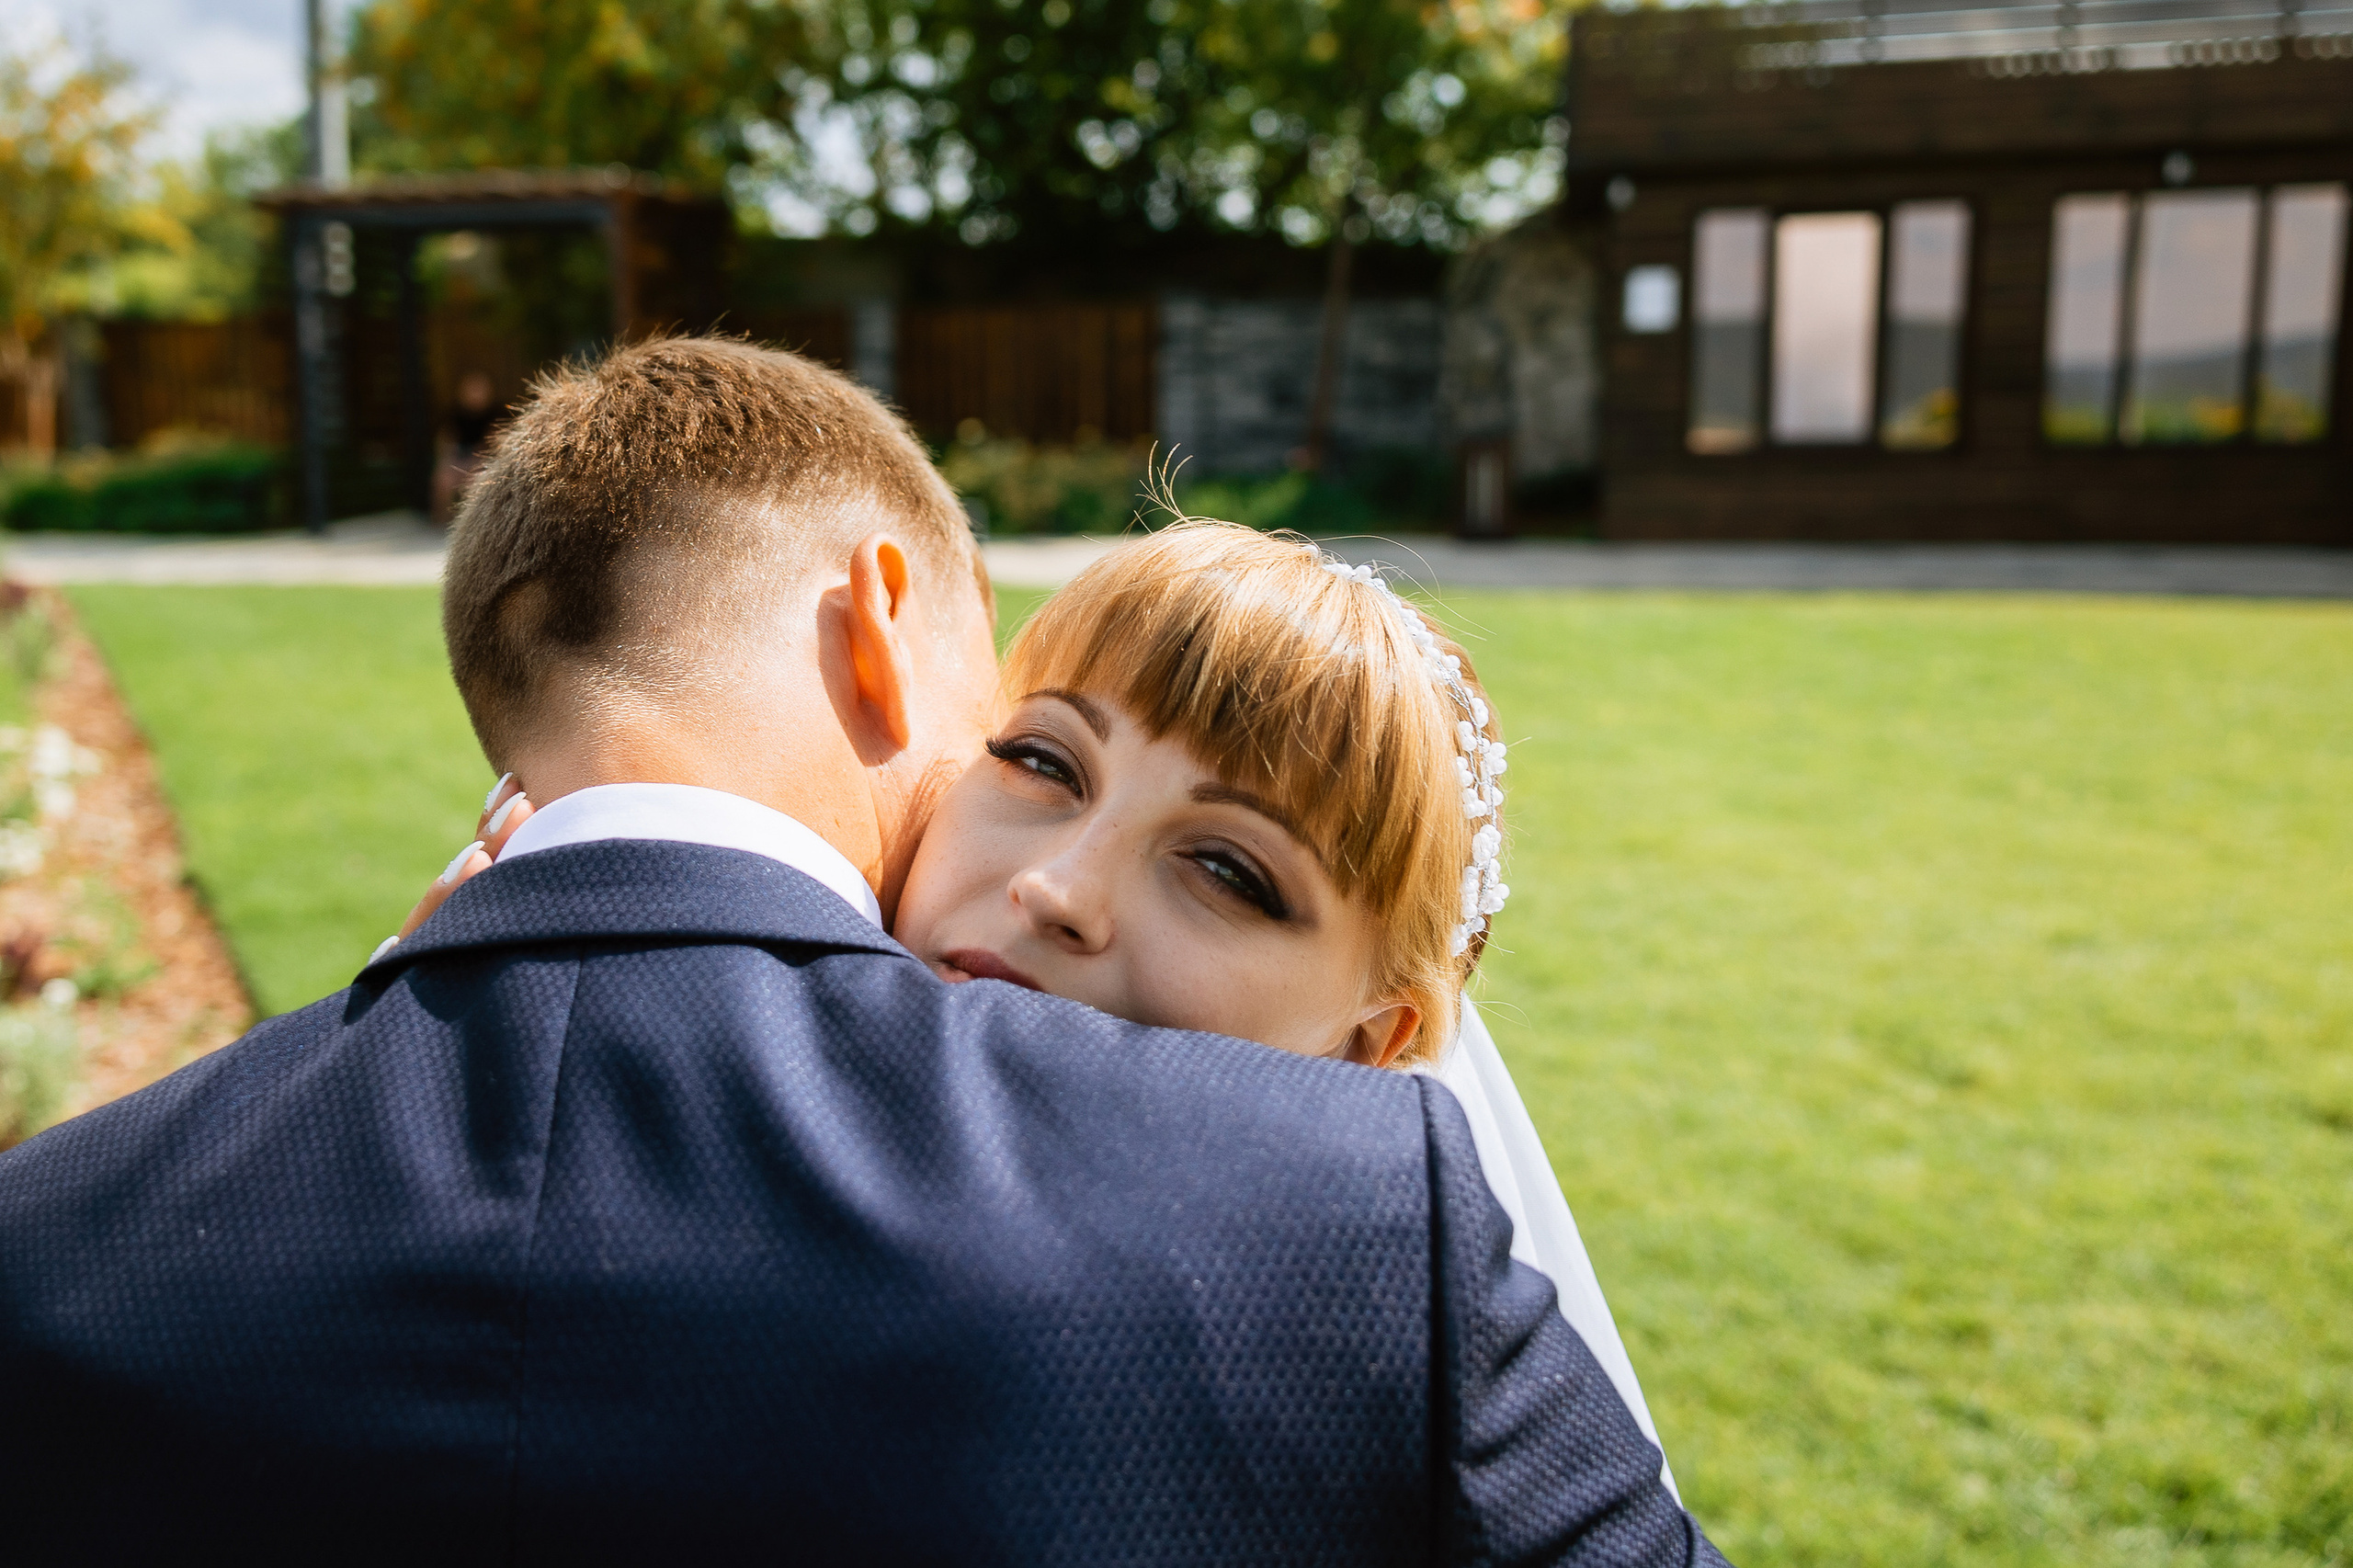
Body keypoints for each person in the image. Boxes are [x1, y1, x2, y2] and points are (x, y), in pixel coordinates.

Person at [0, 338, 1725, 1563]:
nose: (1057, 890)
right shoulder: (1359, 1234)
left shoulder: (62, 1237)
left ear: (1388, 1031)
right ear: (889, 627)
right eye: (1034, 754)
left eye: (1234, 869)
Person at [430, 369, 500, 525]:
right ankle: (442, 522)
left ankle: (473, 525)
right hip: (458, 462)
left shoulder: (495, 416)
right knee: (443, 479)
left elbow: (493, 449)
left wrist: (474, 462)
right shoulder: (454, 415)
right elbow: (446, 444)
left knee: (476, 481)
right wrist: (449, 463)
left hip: (481, 464)